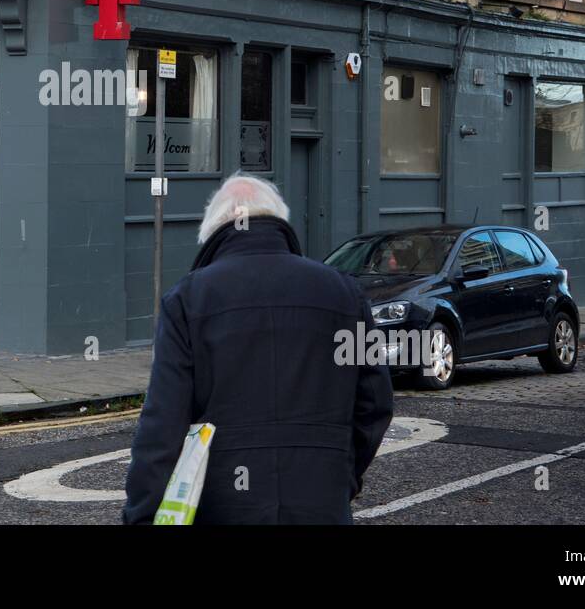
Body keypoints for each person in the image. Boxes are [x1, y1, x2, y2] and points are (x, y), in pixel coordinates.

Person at [122, 173, 393, 524]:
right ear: (279, 220)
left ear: (213, 230)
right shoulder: (346, 293)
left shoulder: (188, 299)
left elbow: (162, 426)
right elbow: (375, 403)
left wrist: (141, 515)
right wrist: (340, 474)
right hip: (321, 503)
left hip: (223, 507)